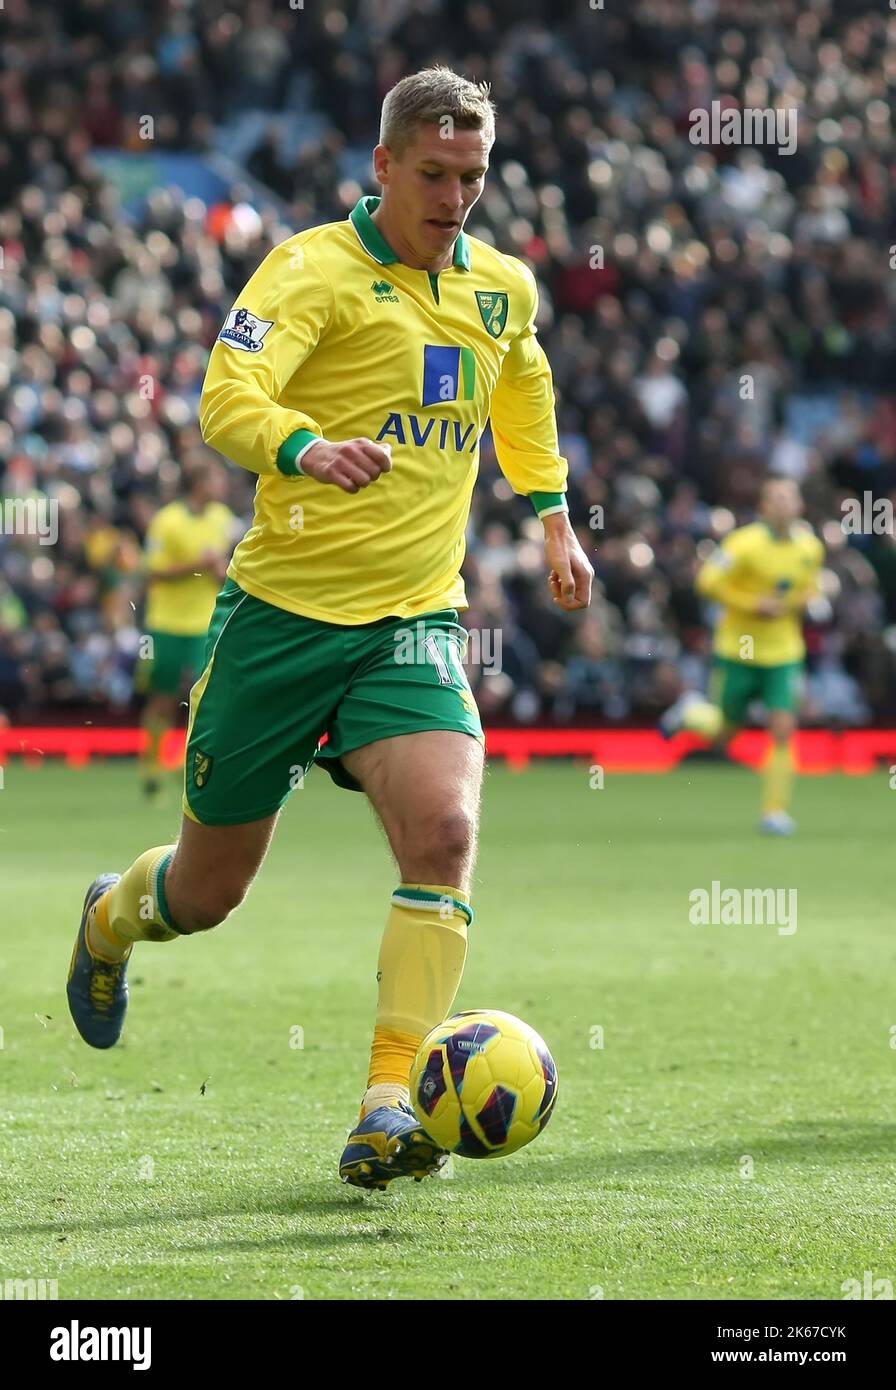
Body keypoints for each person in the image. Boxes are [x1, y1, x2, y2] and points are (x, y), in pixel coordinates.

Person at [66, 66, 594, 1189]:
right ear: (384, 165)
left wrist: (551, 515)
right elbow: (226, 393)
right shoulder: (309, 269)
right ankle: (111, 919)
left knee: (445, 833)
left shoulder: (499, 289)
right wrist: (305, 446)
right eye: (436, 176)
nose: (455, 198)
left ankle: (385, 1103)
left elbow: (522, 389)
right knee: (203, 897)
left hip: (409, 621)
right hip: (281, 623)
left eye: (474, 177)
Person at [662, 477, 823, 833]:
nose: (783, 504)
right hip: (738, 649)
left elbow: (810, 585)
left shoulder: (810, 548)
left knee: (782, 729)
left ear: (798, 506)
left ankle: (774, 811)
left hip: (783, 653)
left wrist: (804, 599)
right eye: (776, 498)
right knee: (724, 733)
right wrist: (753, 604)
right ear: (764, 507)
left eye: (789, 497)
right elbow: (707, 581)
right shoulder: (742, 544)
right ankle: (690, 712)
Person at [136, 456, 236, 800]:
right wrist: (198, 564)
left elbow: (221, 569)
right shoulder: (168, 521)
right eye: (216, 479)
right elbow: (152, 572)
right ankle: (151, 768)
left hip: (206, 623)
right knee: (162, 698)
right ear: (199, 483)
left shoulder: (222, 519)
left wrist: (221, 572)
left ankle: (189, 765)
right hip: (167, 623)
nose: (221, 486)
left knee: (202, 699)